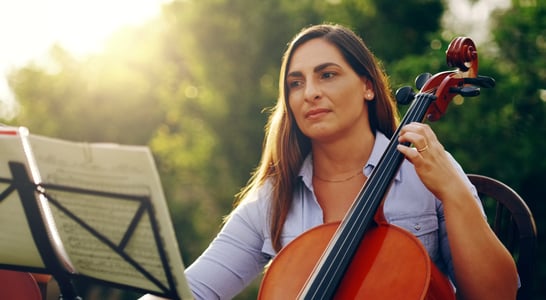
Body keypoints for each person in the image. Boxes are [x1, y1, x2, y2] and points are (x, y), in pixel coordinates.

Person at [141, 23, 518, 300]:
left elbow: (498, 294)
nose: (311, 93)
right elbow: (191, 290)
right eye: (296, 83)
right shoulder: (275, 196)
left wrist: (454, 191)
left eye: (327, 75)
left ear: (368, 86)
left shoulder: (425, 169)